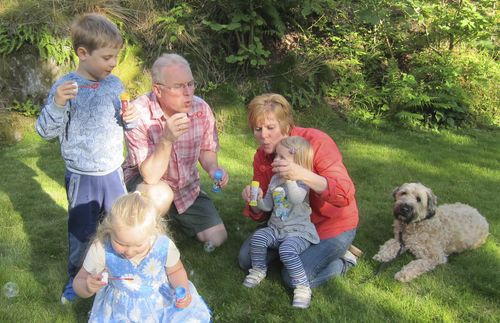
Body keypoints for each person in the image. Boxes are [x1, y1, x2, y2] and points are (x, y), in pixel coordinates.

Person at [35, 13, 138, 304]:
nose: (113, 63)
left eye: (115, 56)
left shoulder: (115, 85)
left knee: (120, 225)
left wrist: (130, 119)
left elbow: (126, 122)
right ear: (83, 53)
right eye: (106, 57)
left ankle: (122, 273)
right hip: (82, 177)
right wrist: (57, 105)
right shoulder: (66, 88)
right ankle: (77, 279)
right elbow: (44, 131)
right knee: (83, 232)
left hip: (113, 173)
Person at [240, 93, 362, 290]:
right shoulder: (263, 157)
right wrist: (253, 201)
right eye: (257, 129)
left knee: (291, 278)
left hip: (329, 226)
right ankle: (297, 254)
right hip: (287, 225)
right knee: (247, 260)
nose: (263, 135)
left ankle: (343, 260)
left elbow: (344, 193)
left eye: (271, 128)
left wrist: (302, 174)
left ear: (286, 126)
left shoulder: (316, 142)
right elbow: (262, 211)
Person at [123, 53, 227, 251]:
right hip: (147, 186)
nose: (188, 92)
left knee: (217, 236)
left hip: (185, 187)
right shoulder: (139, 113)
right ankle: (138, 230)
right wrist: (166, 139)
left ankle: (169, 219)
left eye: (190, 84)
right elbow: (150, 176)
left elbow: (207, 149)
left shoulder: (201, 109)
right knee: (161, 194)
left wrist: (213, 169)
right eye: (178, 86)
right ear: (158, 90)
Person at [73, 191, 211, 322]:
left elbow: (175, 271)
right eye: (120, 243)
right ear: (109, 231)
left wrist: (182, 290)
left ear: (153, 232)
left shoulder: (163, 245)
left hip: (160, 303)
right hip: (120, 309)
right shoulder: (101, 248)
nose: (129, 251)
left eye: (138, 245)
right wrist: (87, 286)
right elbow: (79, 281)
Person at [243, 136, 319, 309]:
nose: (276, 160)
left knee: (287, 250)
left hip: (298, 231)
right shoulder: (275, 179)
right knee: (259, 237)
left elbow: (296, 198)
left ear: (297, 163)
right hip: (277, 229)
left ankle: (302, 287)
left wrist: (291, 178)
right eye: (277, 155)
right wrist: (258, 200)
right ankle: (258, 270)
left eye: (282, 158)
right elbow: (268, 206)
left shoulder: (302, 182)